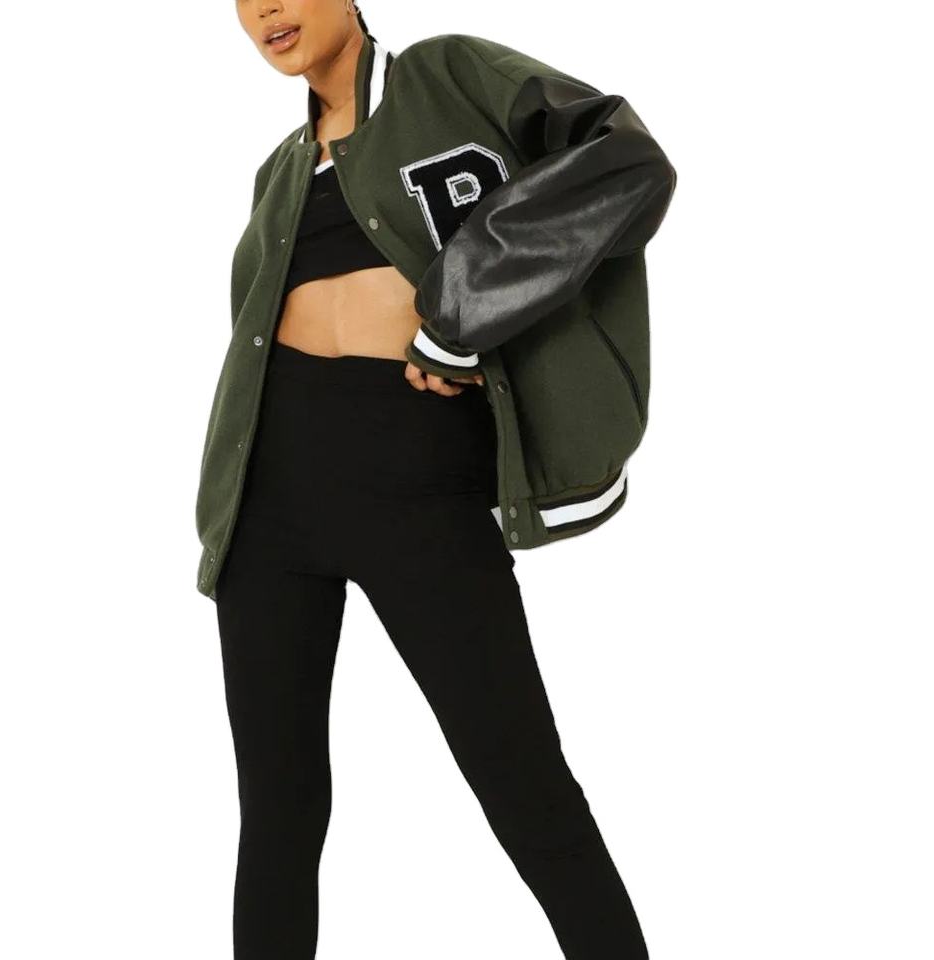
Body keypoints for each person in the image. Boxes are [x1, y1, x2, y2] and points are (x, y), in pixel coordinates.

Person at [201, 3, 675, 958]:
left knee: (524, 784)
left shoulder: (448, 77)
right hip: (271, 494)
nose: (266, 9)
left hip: (416, 476)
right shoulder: (278, 173)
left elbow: (626, 159)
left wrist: (461, 315)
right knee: (279, 810)